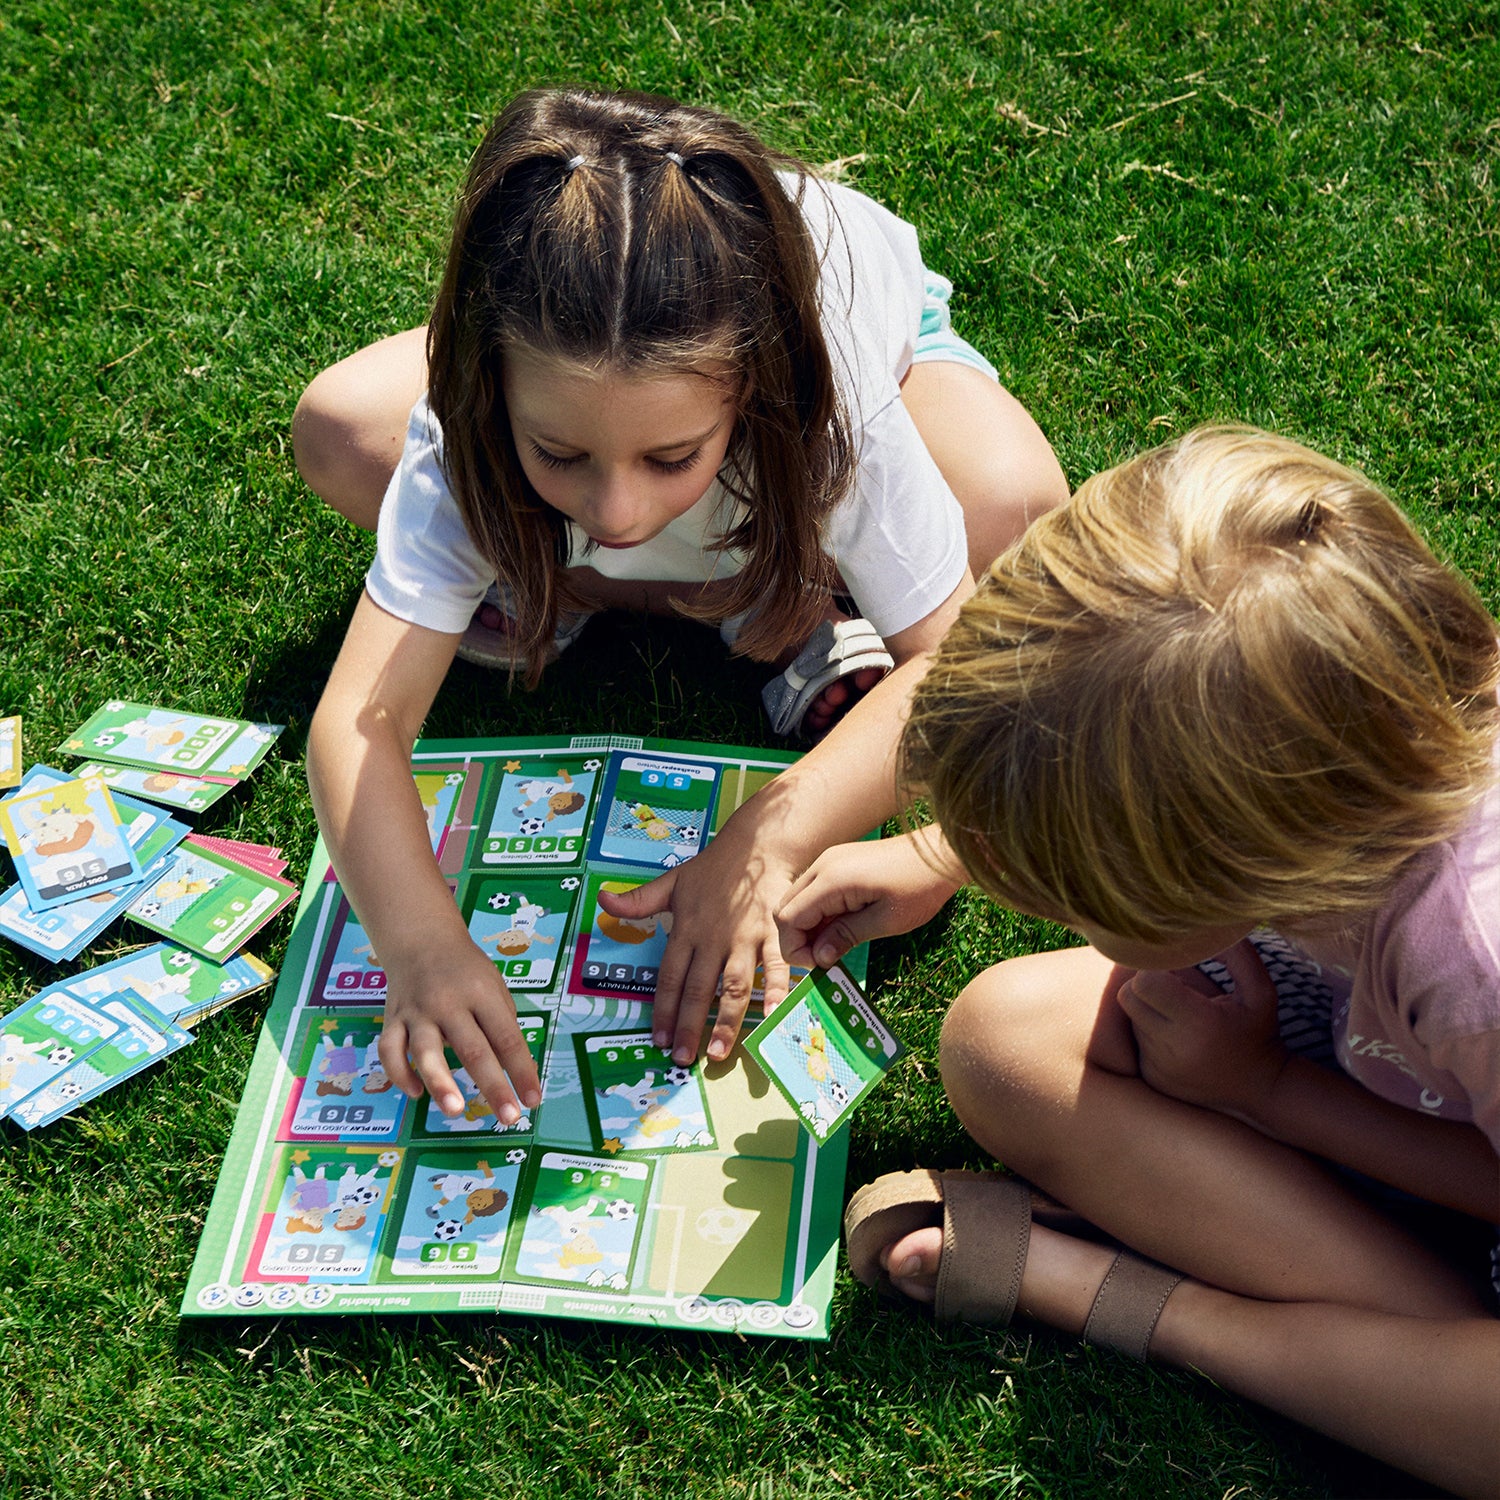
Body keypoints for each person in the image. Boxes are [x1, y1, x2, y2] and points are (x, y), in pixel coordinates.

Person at [302, 88, 1066, 1124]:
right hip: (612, 409)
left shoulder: (830, 396)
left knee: (1013, 509)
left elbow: (957, 662)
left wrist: (770, 839)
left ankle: (762, 591)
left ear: (753, 390)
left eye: (672, 457)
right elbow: (360, 723)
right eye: (558, 452)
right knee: (343, 430)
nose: (615, 506)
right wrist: (419, 942)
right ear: (494, 380)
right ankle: (749, 605)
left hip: (880, 365)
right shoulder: (475, 403)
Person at [777, 427, 1500, 1499]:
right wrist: (945, 852)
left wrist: (1268, 1094)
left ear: (1235, 872)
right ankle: (1390, 1348)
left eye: (1072, 896)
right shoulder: (1349, 731)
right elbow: (1133, 715)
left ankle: (1151, 1304)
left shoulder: (1473, 966)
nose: (1051, 911)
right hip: (1400, 1055)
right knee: (1005, 1043)